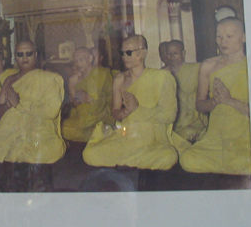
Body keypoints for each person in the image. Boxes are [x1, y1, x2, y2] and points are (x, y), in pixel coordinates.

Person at [82, 35, 178, 170]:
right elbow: (115, 112)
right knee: (89, 154)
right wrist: (125, 112)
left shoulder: (162, 77)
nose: (124, 57)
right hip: (126, 138)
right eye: (122, 53)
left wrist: (138, 109)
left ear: (142, 53)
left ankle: (125, 163)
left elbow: (169, 115)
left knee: (169, 156)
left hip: (152, 139)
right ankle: (134, 161)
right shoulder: (120, 79)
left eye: (129, 53)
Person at [0, 41, 66, 164]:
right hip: (9, 132)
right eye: (20, 54)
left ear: (35, 55)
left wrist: (19, 104)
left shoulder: (49, 78)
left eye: (29, 53)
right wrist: (8, 106)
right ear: (15, 57)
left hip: (38, 132)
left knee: (41, 151)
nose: (24, 57)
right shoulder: (10, 79)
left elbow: (50, 112)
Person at [177, 17, 251, 175]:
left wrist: (229, 100)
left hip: (245, 137)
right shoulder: (209, 66)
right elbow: (200, 105)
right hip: (216, 138)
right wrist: (214, 102)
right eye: (219, 36)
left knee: (247, 161)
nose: (223, 41)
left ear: (243, 37)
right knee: (187, 159)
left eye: (229, 36)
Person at [61, 47, 113, 142]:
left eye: (81, 59)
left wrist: (82, 97)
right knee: (59, 127)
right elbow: (75, 103)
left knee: (63, 129)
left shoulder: (101, 74)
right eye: (76, 61)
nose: (78, 64)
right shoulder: (77, 77)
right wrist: (72, 85)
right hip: (83, 119)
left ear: (90, 58)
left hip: (100, 118)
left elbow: (94, 105)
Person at [162, 40, 205, 143]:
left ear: (183, 53)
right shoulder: (162, 74)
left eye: (175, 53)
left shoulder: (196, 69)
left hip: (196, 122)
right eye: (169, 54)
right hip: (174, 125)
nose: (171, 57)